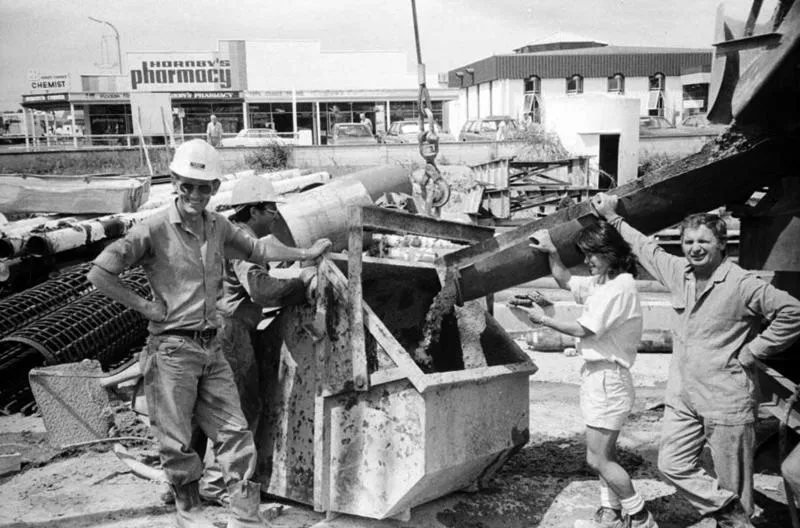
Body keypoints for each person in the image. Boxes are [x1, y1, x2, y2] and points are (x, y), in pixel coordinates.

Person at [87, 139, 332, 528]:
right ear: (174, 182)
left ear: (215, 189)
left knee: (236, 432)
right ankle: (192, 515)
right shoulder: (152, 229)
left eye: (204, 187)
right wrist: (146, 307)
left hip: (211, 347)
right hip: (171, 350)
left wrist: (308, 254)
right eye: (188, 185)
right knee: (177, 440)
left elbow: (257, 251)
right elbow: (99, 274)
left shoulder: (218, 226)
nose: (196, 194)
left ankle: (245, 518)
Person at [592, 193, 800, 528]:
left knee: (735, 485)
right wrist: (613, 218)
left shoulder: (742, 284)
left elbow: (793, 312)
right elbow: (646, 249)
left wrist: (756, 349)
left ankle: (733, 516)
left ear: (722, 244)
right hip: (682, 396)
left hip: (726, 398)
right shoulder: (678, 272)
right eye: (688, 241)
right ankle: (725, 509)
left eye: (704, 241)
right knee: (671, 463)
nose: (694, 247)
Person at [513, 223, 658, 528]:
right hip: (599, 377)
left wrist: (543, 319)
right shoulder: (605, 282)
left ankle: (641, 517)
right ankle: (611, 512)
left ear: (611, 252)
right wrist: (552, 251)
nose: (588, 260)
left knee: (597, 459)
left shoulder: (620, 288)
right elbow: (566, 281)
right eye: (586, 254)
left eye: (593, 254)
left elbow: (585, 328)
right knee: (604, 453)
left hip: (608, 379)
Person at [198, 174, 321, 504]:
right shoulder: (241, 241)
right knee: (242, 406)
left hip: (212, 324)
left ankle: (198, 479)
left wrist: (300, 255)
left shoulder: (231, 232)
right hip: (231, 331)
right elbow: (260, 290)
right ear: (253, 211)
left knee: (211, 407)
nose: (275, 216)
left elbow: (264, 259)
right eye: (270, 210)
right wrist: (301, 283)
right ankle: (222, 486)